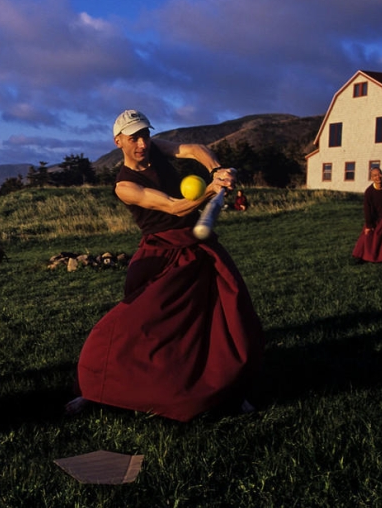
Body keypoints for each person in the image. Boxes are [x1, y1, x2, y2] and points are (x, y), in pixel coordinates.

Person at [67, 110, 264, 421]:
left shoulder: (155, 146)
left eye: (145, 134)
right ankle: (98, 387)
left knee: (227, 313)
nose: (142, 143)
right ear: (119, 141)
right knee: (136, 325)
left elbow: (192, 150)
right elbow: (173, 207)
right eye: (134, 138)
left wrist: (217, 170)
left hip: (199, 245)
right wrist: (210, 192)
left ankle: (232, 389)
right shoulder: (124, 186)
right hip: (160, 253)